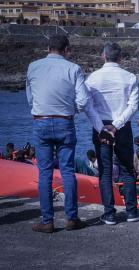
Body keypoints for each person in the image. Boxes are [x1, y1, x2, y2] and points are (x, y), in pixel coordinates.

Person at [26, 34, 91, 233]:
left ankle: (47, 220)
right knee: (67, 171)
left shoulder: (33, 66)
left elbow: (30, 98)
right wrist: (70, 110)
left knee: (44, 173)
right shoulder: (74, 68)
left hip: (41, 121)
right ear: (66, 49)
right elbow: (83, 101)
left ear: (48, 48)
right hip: (65, 122)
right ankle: (72, 218)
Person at [84, 41, 139, 225]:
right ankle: (132, 212)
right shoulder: (130, 77)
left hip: (100, 126)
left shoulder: (92, 78)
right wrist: (116, 125)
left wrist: (101, 127)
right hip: (122, 127)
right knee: (127, 169)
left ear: (103, 56)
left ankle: (109, 214)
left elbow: (87, 106)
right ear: (120, 58)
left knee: (105, 171)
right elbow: (133, 106)